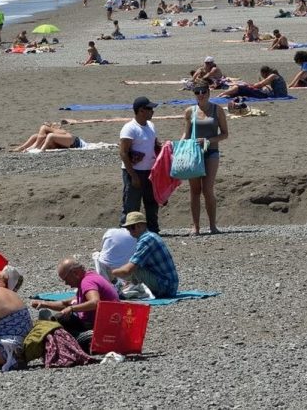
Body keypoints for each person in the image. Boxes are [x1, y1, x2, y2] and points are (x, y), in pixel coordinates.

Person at [30, 258, 119, 339]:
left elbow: (95, 302)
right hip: (109, 322)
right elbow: (66, 304)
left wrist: (72, 308)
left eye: (66, 279)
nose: (66, 283)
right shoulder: (89, 277)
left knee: (52, 323)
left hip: (97, 326)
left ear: (75, 273)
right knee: (56, 316)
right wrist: (44, 303)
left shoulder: (87, 282)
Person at [182, 82, 228, 235]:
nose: (200, 94)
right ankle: (196, 226)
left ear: (209, 93)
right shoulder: (190, 111)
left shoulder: (217, 109)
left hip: (211, 152)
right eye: (197, 92)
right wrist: (179, 147)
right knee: (195, 190)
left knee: (208, 189)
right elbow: (186, 134)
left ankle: (212, 225)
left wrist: (209, 141)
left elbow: (225, 134)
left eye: (203, 91)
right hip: (194, 153)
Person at [111, 212, 178, 298]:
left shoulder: (146, 240)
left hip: (166, 287)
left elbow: (128, 270)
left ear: (141, 225)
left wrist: (111, 273)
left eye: (132, 227)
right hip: (169, 285)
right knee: (132, 266)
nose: (130, 231)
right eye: (128, 228)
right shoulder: (150, 236)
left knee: (133, 268)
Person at [119, 97, 161, 232]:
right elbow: (124, 153)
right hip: (134, 171)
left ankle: (153, 230)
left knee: (151, 203)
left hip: (150, 171)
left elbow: (154, 145)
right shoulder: (129, 128)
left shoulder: (151, 126)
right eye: (150, 109)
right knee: (131, 204)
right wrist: (133, 176)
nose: (152, 112)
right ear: (141, 111)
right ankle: (127, 231)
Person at [219, 66, 288, 99]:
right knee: (243, 90)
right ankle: (227, 94)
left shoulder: (273, 76)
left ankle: (222, 94)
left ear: (264, 73)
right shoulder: (275, 76)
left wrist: (251, 85)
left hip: (279, 95)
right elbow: (262, 85)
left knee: (239, 87)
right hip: (278, 94)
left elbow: (261, 84)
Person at [12, 123, 86, 152]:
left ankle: (32, 147)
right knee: (35, 136)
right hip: (71, 142)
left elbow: (65, 134)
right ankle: (23, 147)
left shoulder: (59, 132)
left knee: (47, 132)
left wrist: (38, 150)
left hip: (76, 142)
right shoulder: (48, 137)